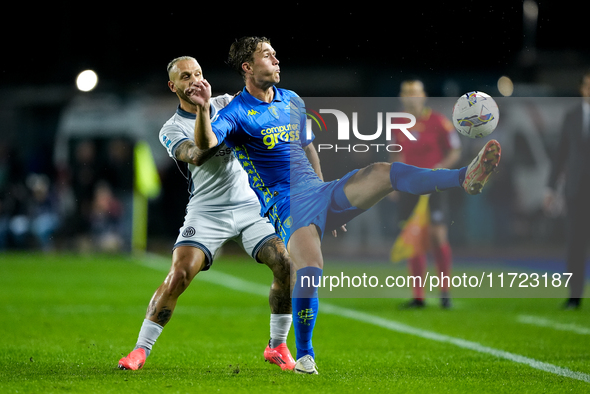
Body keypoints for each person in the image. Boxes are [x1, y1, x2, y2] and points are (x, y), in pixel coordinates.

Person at [187, 36, 501, 374]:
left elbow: (308, 149)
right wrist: (205, 108)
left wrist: (326, 198)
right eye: (267, 55)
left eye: (275, 54)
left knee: (382, 172)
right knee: (309, 269)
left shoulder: (292, 100)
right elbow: (204, 145)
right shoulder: (235, 112)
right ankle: (305, 355)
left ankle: (462, 178)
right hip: (287, 203)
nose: (277, 60)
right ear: (247, 67)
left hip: (319, 191)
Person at [118, 56, 296, 371]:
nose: (195, 80)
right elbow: (199, 154)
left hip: (250, 206)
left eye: (198, 73)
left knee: (285, 263)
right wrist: (202, 111)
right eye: (186, 76)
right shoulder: (171, 128)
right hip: (208, 212)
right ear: (173, 86)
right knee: (180, 275)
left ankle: (277, 346)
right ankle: (140, 350)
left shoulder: (229, 103)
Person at [391, 79, 462, 309]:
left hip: (434, 188)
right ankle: (418, 297)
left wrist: (441, 168)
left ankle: (445, 293)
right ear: (402, 96)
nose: (411, 96)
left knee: (437, 236)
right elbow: (395, 154)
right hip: (409, 187)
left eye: (415, 92)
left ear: (424, 95)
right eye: (407, 92)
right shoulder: (396, 124)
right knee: (414, 240)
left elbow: (455, 151)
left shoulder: (438, 122)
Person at [544, 69, 590, 310]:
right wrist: (550, 188)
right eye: (588, 85)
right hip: (576, 191)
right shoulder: (571, 116)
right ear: (582, 89)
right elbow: (560, 154)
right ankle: (574, 297)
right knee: (575, 244)